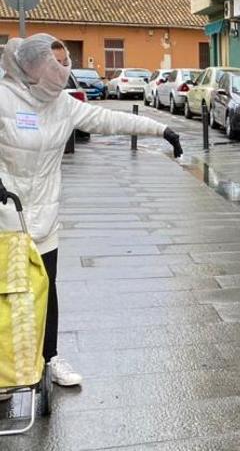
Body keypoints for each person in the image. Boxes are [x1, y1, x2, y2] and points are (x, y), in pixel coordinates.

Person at [0, 34, 183, 387]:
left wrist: (162, 129)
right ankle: (7, 370)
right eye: (51, 69)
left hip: (44, 216)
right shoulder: (3, 98)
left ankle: (49, 358)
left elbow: (107, 120)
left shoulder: (61, 104)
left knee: (47, 288)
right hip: (6, 215)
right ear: (31, 68)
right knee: (7, 294)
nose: (58, 80)